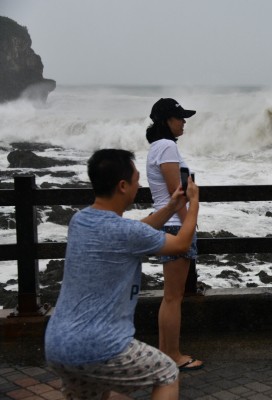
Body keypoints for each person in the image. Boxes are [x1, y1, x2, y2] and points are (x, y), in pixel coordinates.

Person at [45, 149, 199, 400]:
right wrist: (193, 204)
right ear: (123, 186)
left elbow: (135, 232)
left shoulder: (79, 221)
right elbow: (181, 244)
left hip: (58, 344)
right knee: (166, 373)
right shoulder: (125, 232)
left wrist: (171, 206)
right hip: (101, 345)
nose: (140, 185)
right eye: (137, 180)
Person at [145, 98, 203, 371]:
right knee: (173, 297)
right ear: (166, 121)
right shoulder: (166, 147)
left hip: (168, 224)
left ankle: (166, 352)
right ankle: (172, 356)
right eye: (179, 117)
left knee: (172, 295)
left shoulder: (158, 147)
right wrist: (188, 226)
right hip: (175, 225)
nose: (183, 122)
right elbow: (176, 194)